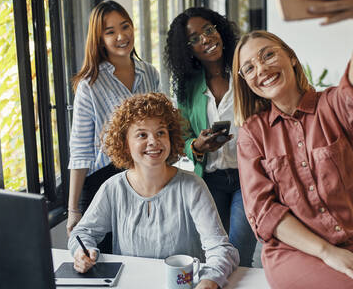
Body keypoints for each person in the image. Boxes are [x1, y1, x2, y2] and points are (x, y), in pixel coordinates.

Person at [232, 0, 353, 289]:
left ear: (292, 59)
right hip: (296, 252)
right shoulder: (253, 134)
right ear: (246, 82)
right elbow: (264, 211)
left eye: (268, 55)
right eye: (249, 68)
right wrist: (328, 253)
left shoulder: (332, 108)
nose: (262, 69)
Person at [69, 93, 239, 289]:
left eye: (160, 133)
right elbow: (82, 234)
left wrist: (209, 281)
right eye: (142, 135)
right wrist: (83, 252)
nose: (154, 141)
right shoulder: (112, 188)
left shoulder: (193, 186)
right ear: (125, 143)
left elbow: (221, 249)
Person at [165, 7, 257, 267]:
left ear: (219, 29)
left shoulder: (244, 71)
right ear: (188, 49)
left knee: (240, 254)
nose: (205, 39)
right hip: (209, 180)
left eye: (208, 29)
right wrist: (197, 145)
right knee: (214, 254)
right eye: (194, 38)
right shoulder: (187, 85)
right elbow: (182, 137)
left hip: (247, 178)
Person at [67, 0, 160, 253]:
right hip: (102, 180)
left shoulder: (150, 73)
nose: (121, 36)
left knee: (143, 252)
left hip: (143, 176)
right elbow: (80, 149)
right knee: (102, 257)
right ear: (99, 39)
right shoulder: (90, 84)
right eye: (110, 32)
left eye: (125, 26)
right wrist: (74, 209)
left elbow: (159, 125)